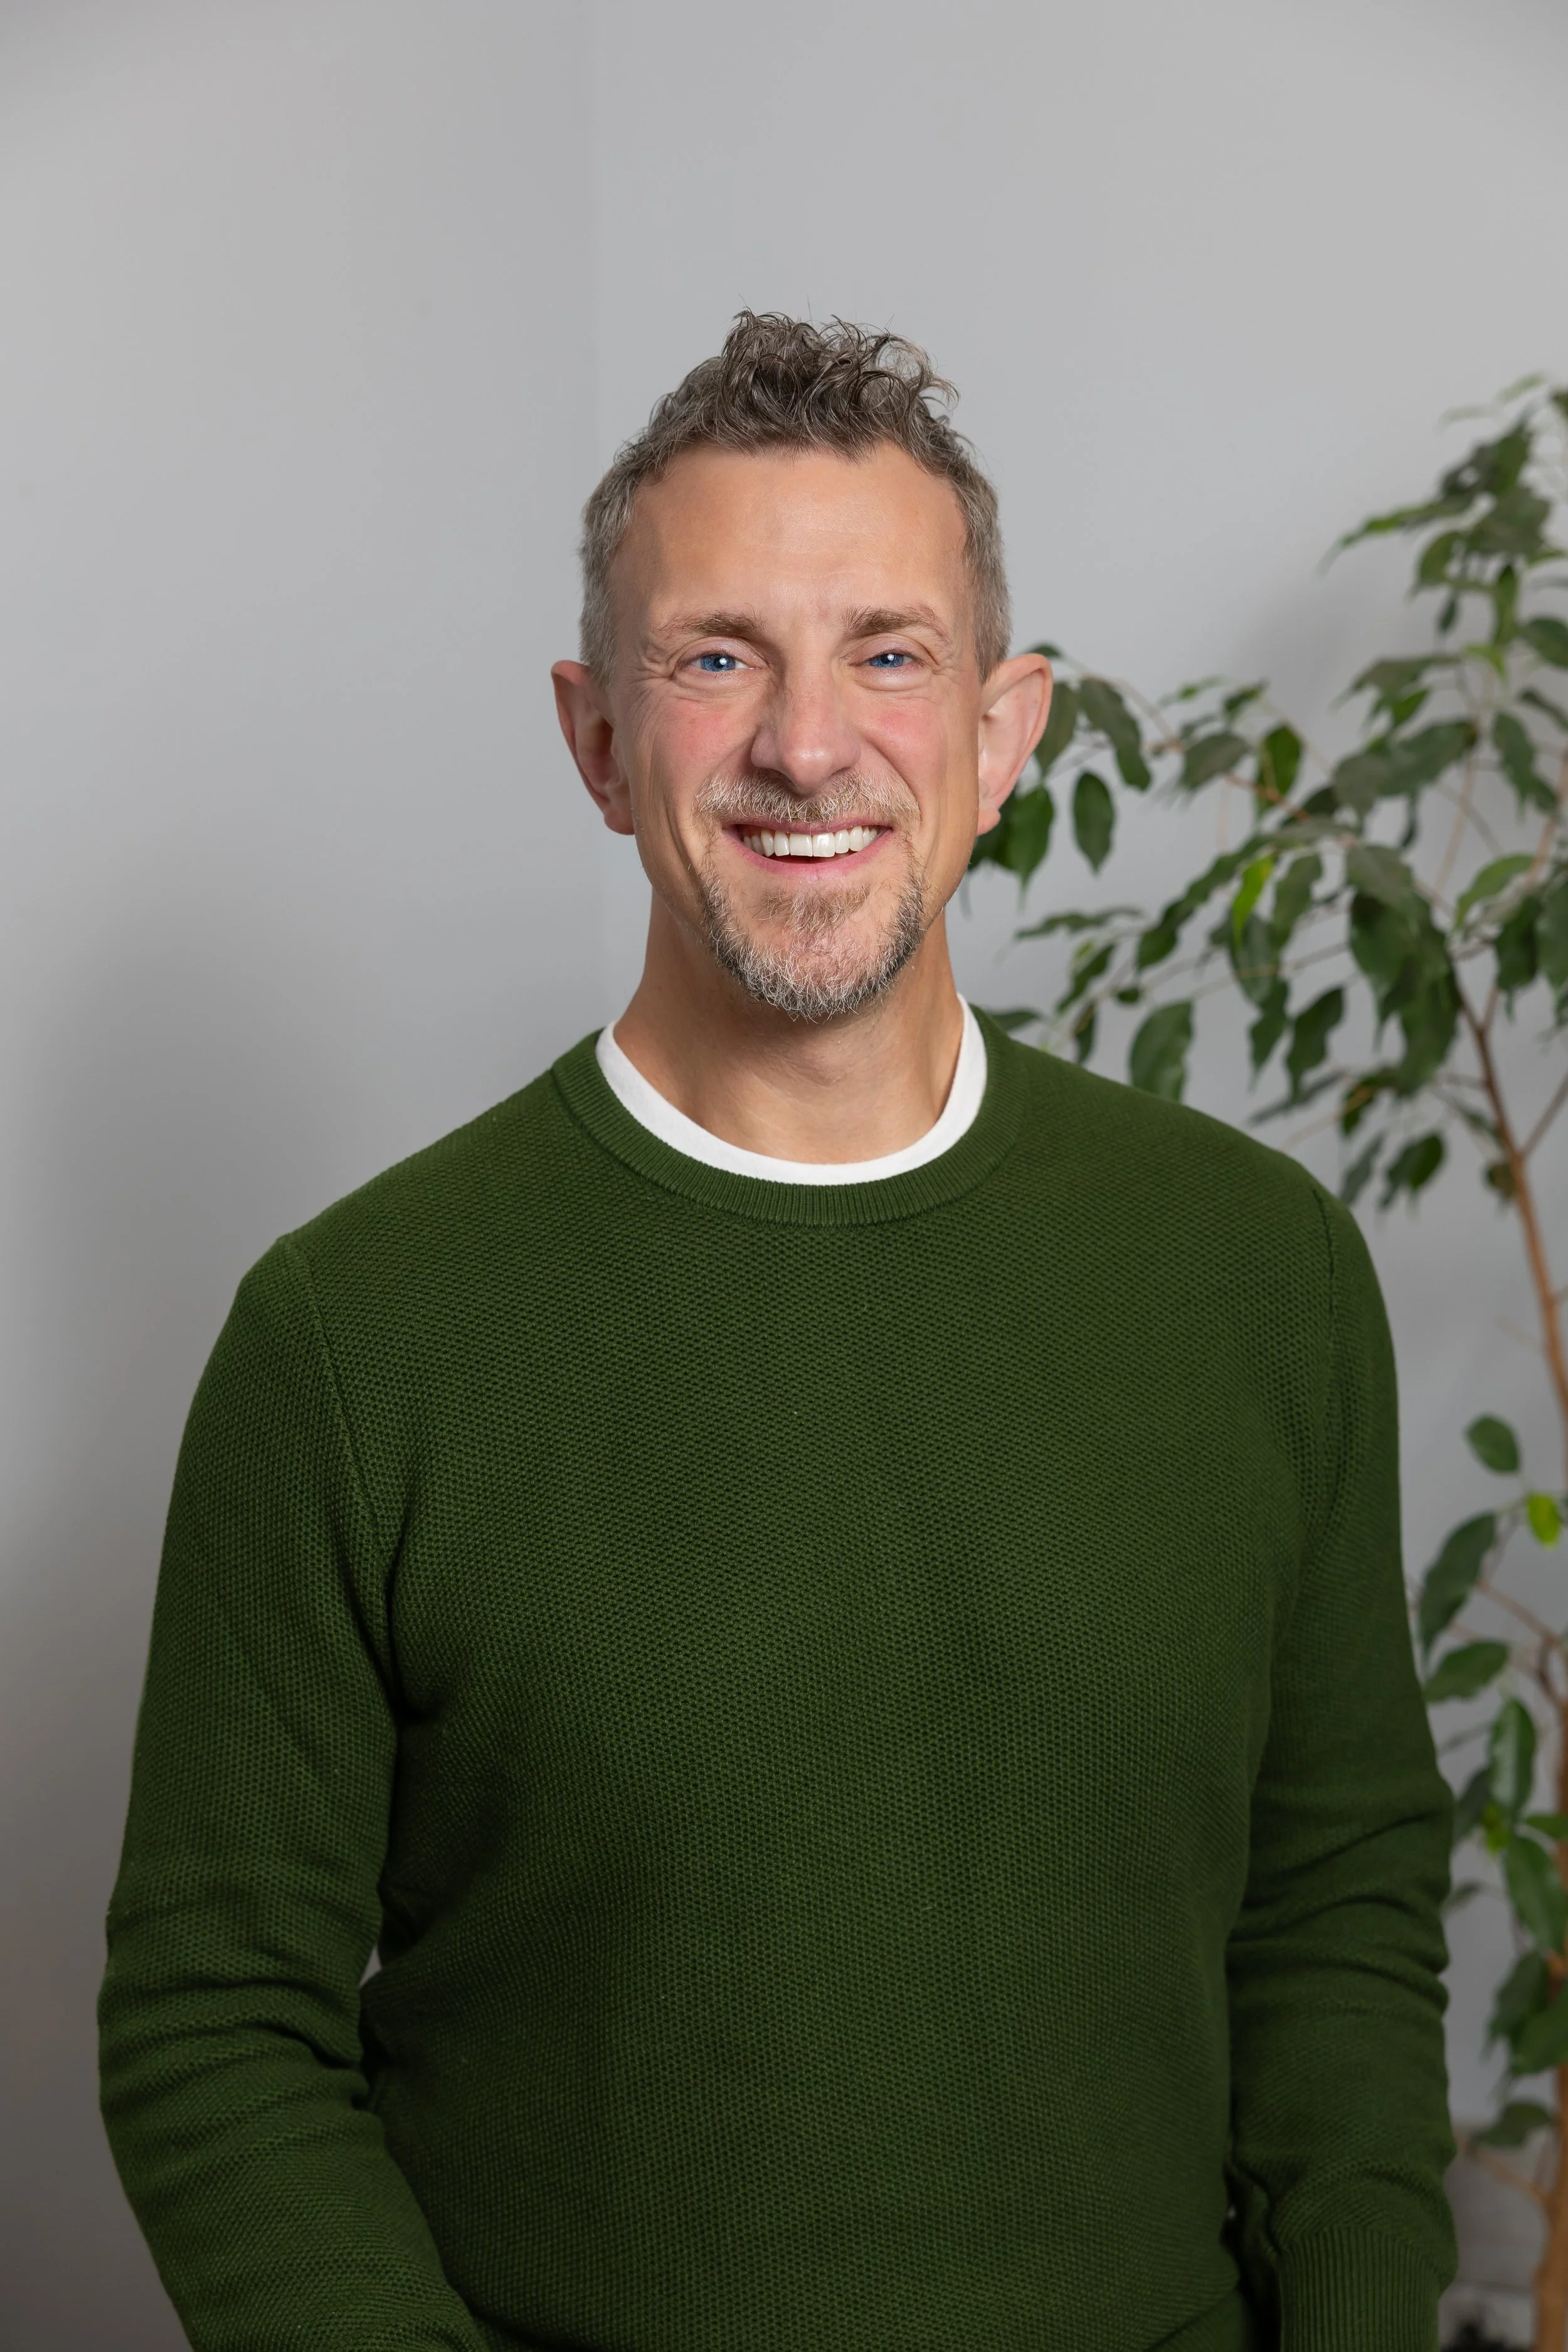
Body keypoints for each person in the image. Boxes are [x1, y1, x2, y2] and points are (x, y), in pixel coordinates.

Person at [99, 312, 1458, 2352]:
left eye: (888, 653)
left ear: (1003, 736)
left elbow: (1335, 1902)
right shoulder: (349, 1339)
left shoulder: (1256, 1268)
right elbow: (216, 2025)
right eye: (716, 653)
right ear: (596, 736)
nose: (807, 744)